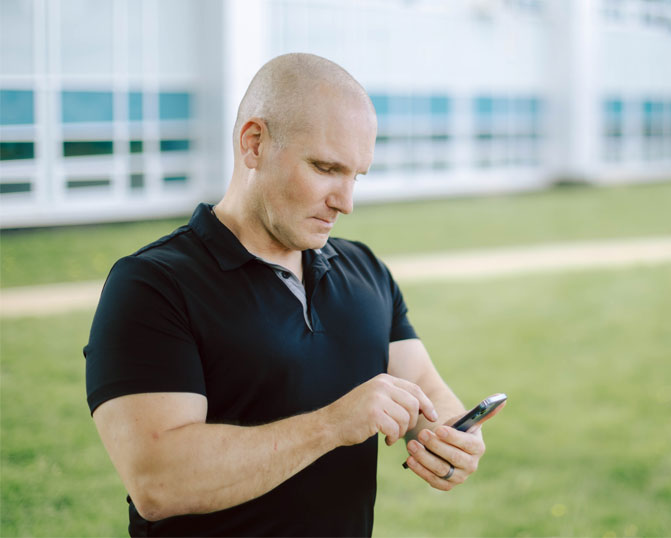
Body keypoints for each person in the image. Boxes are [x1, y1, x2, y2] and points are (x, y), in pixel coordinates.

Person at [84, 53, 504, 537]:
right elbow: (159, 483)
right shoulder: (152, 285)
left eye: (356, 176)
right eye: (326, 168)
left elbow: (425, 389)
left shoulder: (365, 269)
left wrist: (450, 437)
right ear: (254, 144)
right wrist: (331, 425)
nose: (345, 202)